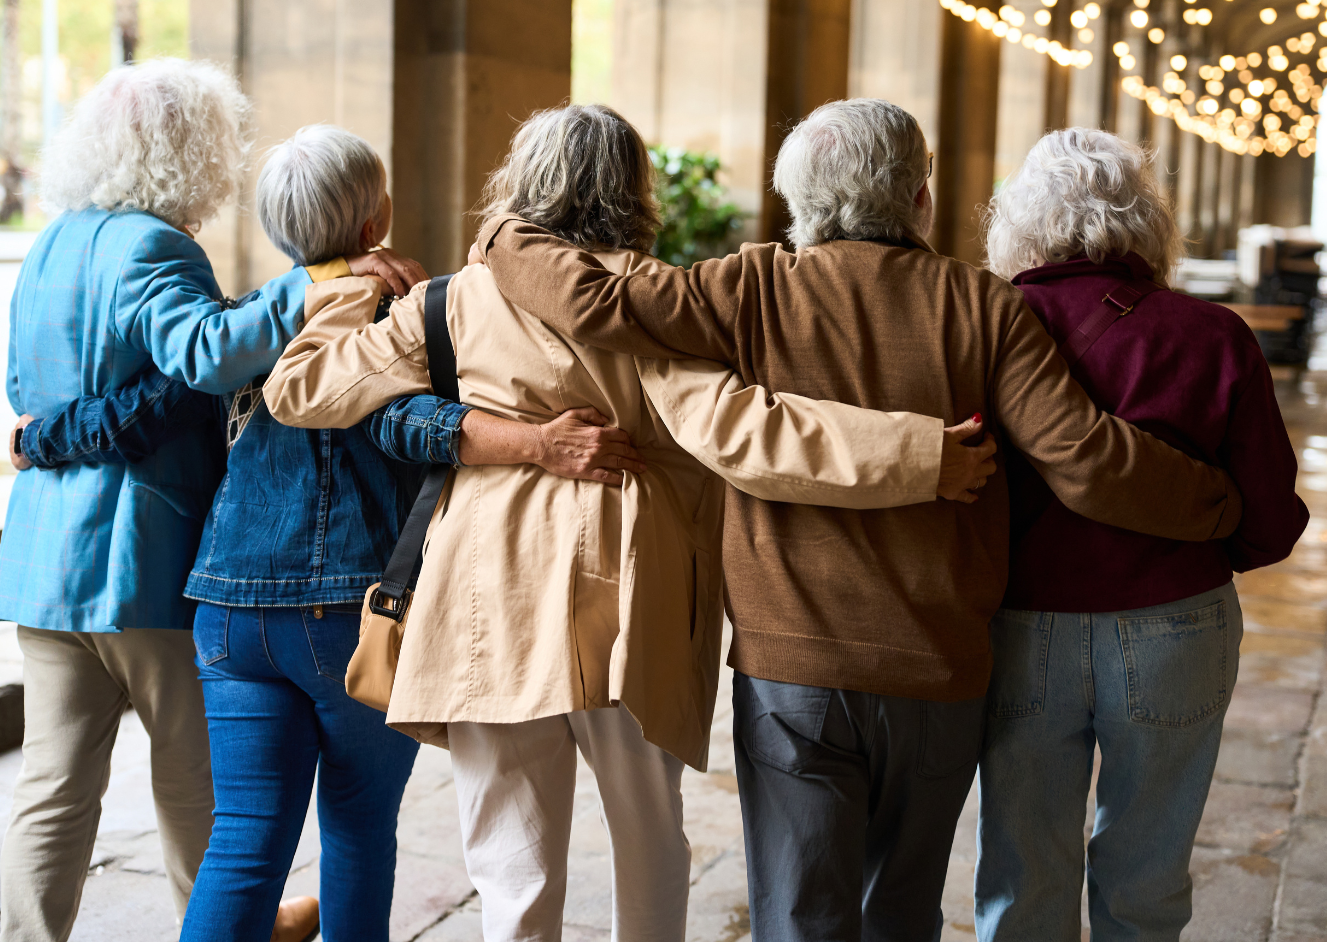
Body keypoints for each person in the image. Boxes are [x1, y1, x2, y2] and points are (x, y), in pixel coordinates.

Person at [464, 97, 1245, 942]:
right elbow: (1085, 460)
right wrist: (1220, 505)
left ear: (797, 201)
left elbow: (592, 299)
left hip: (791, 668)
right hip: (937, 670)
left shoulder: (747, 285)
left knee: (800, 914)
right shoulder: (982, 305)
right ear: (920, 199)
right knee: (899, 912)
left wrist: (508, 237)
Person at [261, 103, 999, 942]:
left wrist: (350, 279)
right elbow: (748, 432)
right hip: (632, 598)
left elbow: (300, 390)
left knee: (511, 865)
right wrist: (919, 455)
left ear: (520, 182)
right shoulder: (645, 303)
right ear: (633, 186)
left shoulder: (451, 301)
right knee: (649, 844)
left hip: (488, 596)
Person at [8, 124, 666, 942]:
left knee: (243, 838)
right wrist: (527, 438)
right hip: (352, 608)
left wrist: (35, 439)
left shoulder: (241, 323)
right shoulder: (413, 307)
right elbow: (403, 423)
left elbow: (155, 406)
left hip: (226, 610)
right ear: (375, 217)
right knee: (356, 828)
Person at [0, 60, 421, 942]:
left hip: (43, 565)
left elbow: (24, 389)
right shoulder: (150, 244)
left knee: (52, 784)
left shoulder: (48, 243)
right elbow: (205, 351)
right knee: (206, 783)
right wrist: (315, 282)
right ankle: (244, 923)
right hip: (137, 562)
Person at [972, 127, 1308, 941]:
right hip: (1175, 623)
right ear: (1146, 219)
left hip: (1021, 628)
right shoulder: (1213, 335)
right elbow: (1269, 521)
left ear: (1017, 219)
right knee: (1147, 877)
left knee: (1020, 872)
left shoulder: (983, 329)